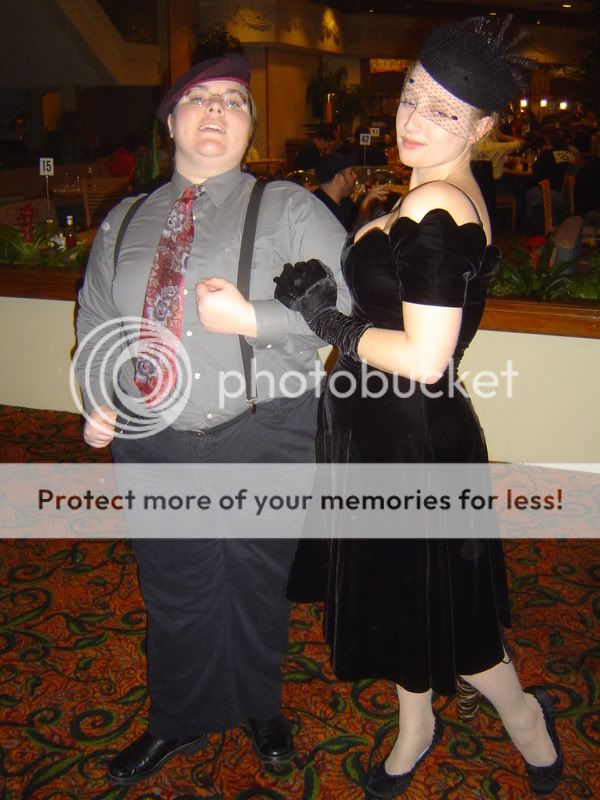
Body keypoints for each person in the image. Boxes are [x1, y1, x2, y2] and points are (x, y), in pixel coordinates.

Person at [274, 17, 563, 799]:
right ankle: (417, 725)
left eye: (442, 110)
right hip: (387, 430)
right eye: (410, 95)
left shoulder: (438, 201)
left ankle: (525, 718)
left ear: (483, 126)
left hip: (411, 439)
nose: (412, 118)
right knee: (408, 596)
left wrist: (325, 320)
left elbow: (426, 357)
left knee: (450, 614)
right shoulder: (430, 188)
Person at [75, 51, 348, 786]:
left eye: (235, 101)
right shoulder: (126, 219)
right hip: (152, 437)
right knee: (173, 587)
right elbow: (96, 319)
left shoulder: (290, 209)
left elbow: (351, 308)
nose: (218, 111)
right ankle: (178, 718)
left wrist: (255, 318)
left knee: (255, 581)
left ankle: (261, 709)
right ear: (171, 123)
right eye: (200, 100)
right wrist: (99, 395)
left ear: (251, 125)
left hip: (264, 427)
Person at [313, 152, 389, 232]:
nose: (355, 176)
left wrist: (374, 202)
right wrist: (365, 205)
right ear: (339, 179)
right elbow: (356, 236)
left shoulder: (344, 201)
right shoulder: (322, 212)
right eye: (351, 173)